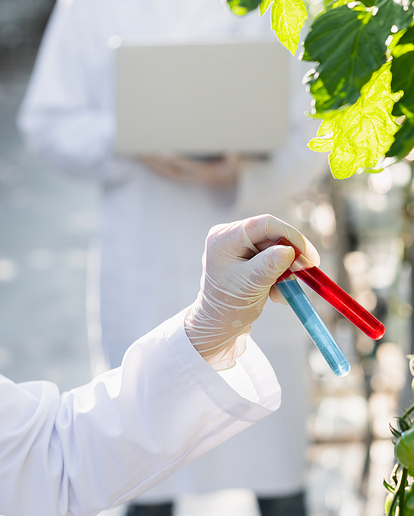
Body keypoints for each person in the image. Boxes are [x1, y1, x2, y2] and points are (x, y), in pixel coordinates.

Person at [18, 0, 326, 516]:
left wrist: (240, 173)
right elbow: (46, 122)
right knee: (146, 470)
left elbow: (312, 122)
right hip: (145, 260)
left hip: (259, 268)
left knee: (279, 475)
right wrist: (135, 144)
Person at [0, 215, 320, 516]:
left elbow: (49, 460)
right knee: (152, 499)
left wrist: (207, 326)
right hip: (143, 256)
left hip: (237, 265)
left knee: (275, 471)